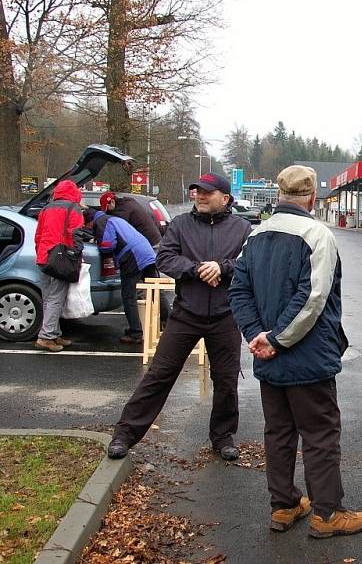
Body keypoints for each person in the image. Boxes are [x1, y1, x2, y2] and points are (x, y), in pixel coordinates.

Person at [228, 165, 362, 539]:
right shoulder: (317, 235)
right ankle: (327, 513)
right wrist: (276, 339)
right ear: (311, 197)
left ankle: (285, 504)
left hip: (268, 355)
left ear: (278, 194)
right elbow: (312, 297)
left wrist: (257, 334)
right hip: (306, 356)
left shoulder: (255, 234)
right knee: (320, 434)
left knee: (278, 432)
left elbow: (238, 290)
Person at [106, 172, 252, 461]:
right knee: (159, 375)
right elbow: (165, 258)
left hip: (226, 315)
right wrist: (197, 269)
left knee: (226, 381)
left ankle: (223, 437)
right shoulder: (181, 224)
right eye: (196, 190)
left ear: (225, 197)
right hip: (187, 313)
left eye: (207, 192)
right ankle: (124, 434)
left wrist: (222, 267)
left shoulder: (243, 228)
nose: (199, 195)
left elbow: (251, 263)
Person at [83, 208, 165, 344]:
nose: (87, 228)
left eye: (86, 226)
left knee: (128, 295)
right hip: (147, 252)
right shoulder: (113, 219)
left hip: (132, 256)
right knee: (155, 290)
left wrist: (97, 243)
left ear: (89, 222)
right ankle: (166, 323)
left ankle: (136, 332)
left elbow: (108, 245)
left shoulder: (101, 222)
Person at [33, 180, 84, 352]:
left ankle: (53, 332)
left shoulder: (46, 208)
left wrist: (40, 252)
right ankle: (46, 337)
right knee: (56, 298)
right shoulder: (73, 208)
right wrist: (76, 253)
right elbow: (76, 233)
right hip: (60, 259)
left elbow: (38, 234)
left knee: (48, 297)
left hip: (43, 257)